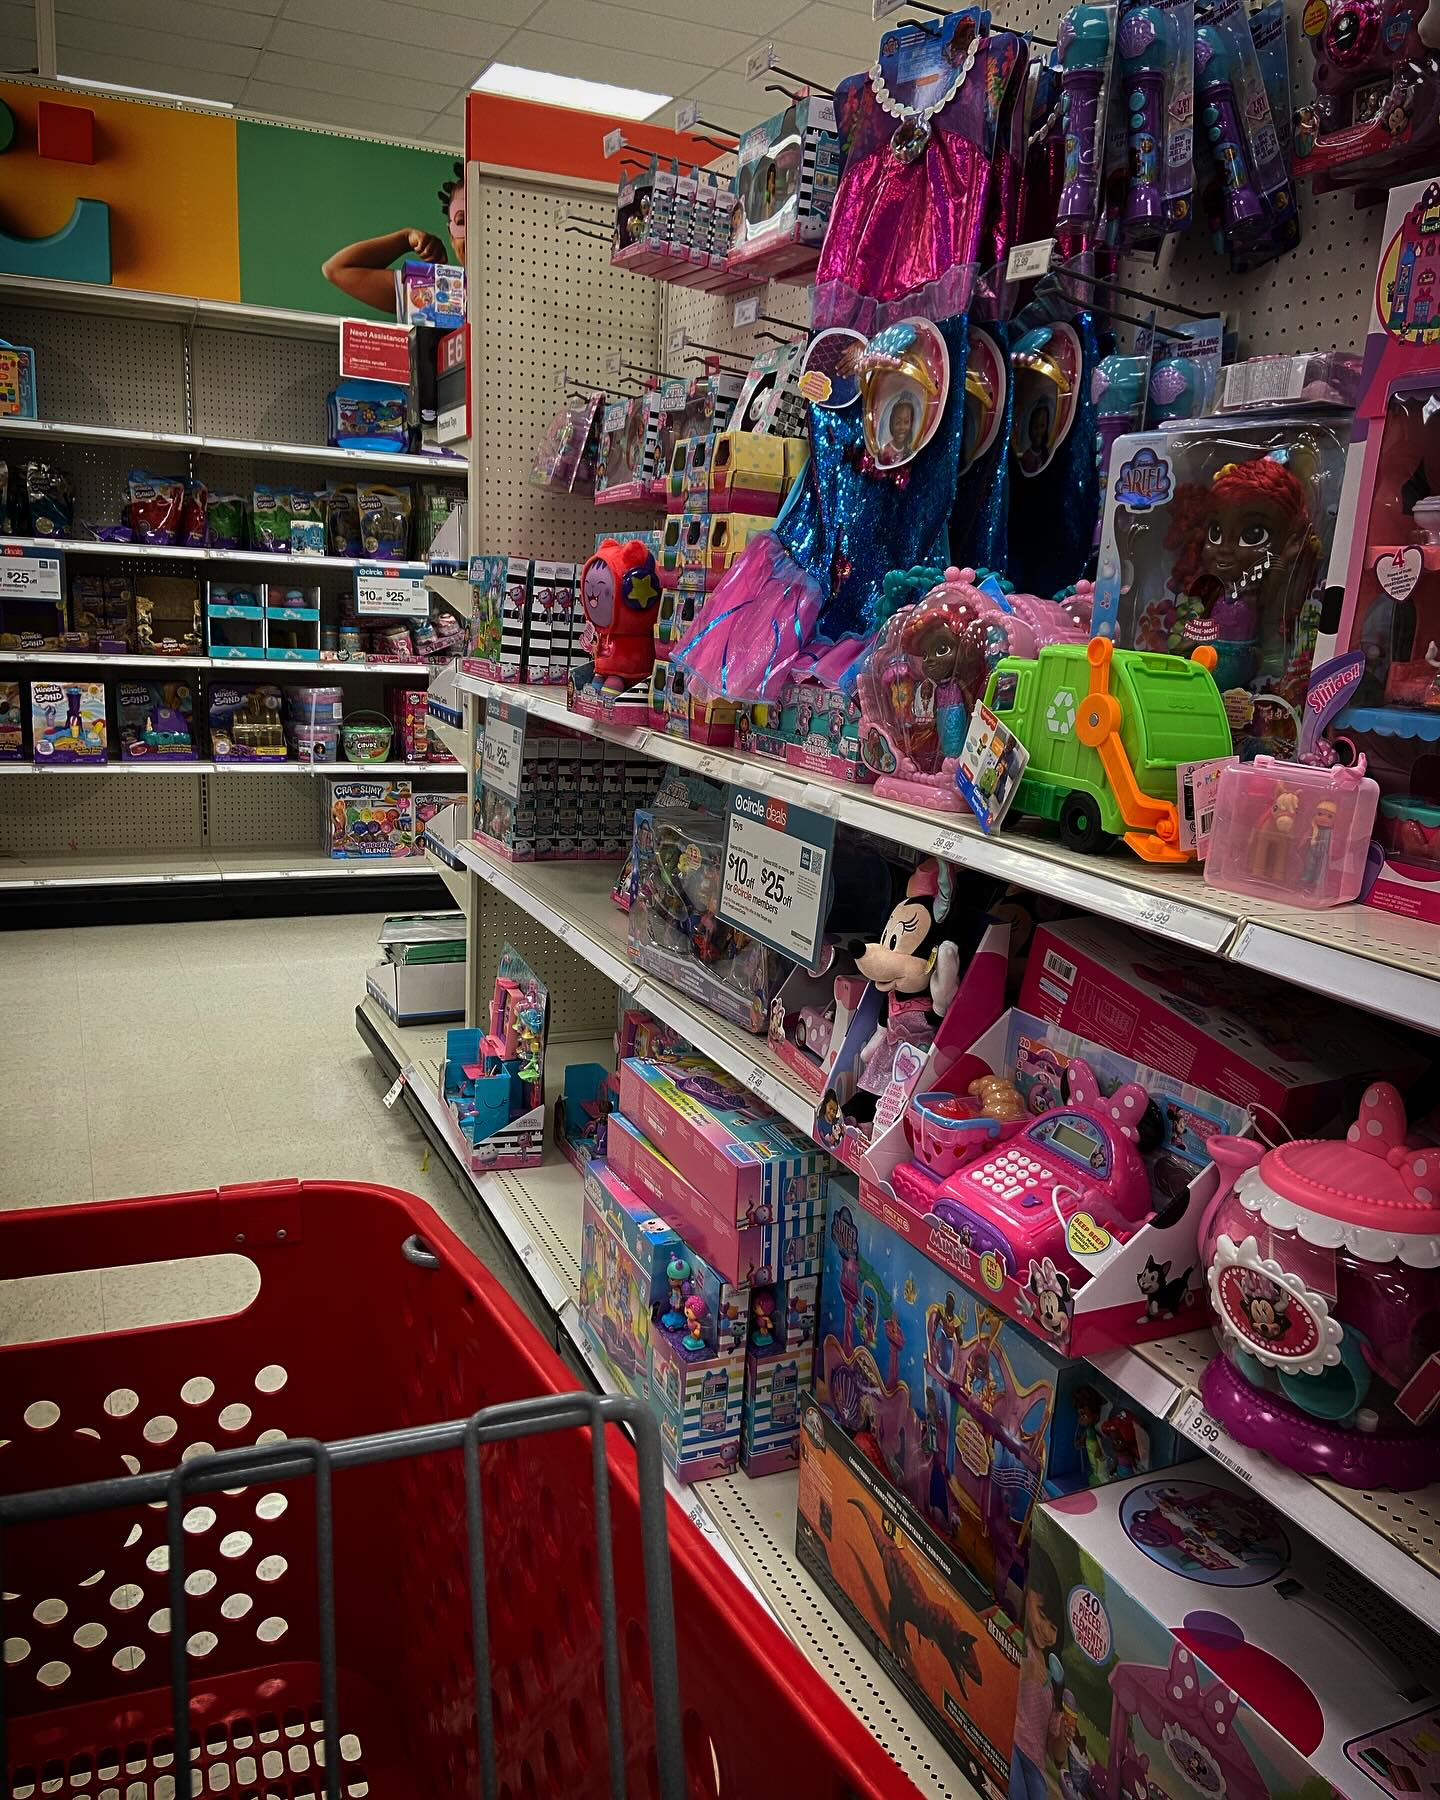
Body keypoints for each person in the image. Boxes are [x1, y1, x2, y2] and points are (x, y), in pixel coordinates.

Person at [322, 160, 465, 314]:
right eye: (461, 221)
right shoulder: (447, 295)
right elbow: (337, 269)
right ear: (451, 237)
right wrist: (405, 239)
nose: (472, 233)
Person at [1010, 1545, 1073, 1800]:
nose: (1047, 1631)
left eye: (1054, 1628)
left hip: (1036, 1764)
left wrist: (1064, 1738)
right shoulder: (1022, 1644)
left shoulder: (1054, 1680)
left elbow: (1055, 1755)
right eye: (1041, 1614)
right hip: (1013, 1744)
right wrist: (1026, 1669)